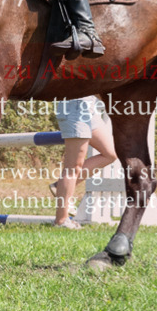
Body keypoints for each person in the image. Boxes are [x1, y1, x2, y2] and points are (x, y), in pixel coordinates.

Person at [49, 97, 118, 229]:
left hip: (90, 108)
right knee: (73, 167)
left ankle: (60, 188)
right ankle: (61, 220)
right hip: (75, 107)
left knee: (110, 153)